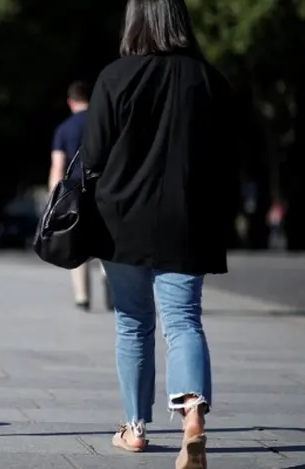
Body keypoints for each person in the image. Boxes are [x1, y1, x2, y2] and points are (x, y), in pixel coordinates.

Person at [80, 1, 239, 467]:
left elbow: (92, 155)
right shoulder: (210, 80)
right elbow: (229, 158)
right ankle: (193, 416)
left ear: (134, 20)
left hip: (120, 221)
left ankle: (134, 428)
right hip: (187, 220)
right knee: (184, 320)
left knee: (133, 322)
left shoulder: (114, 77)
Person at [50, 81, 111, 312]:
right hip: (104, 188)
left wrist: (54, 198)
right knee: (105, 241)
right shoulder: (104, 124)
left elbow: (57, 166)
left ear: (70, 102)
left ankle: (82, 297)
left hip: (75, 192)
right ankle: (110, 284)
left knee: (77, 242)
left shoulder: (64, 129)